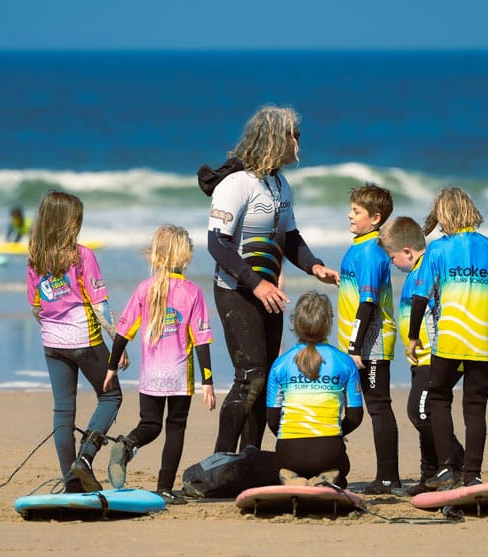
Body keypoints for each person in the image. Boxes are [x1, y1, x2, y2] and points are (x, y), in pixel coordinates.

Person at [202, 106, 339, 455]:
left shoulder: (280, 184)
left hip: (268, 293)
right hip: (237, 292)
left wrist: (315, 267)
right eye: (294, 134)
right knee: (250, 375)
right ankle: (221, 458)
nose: (298, 141)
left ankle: (248, 457)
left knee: (264, 382)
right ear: (276, 139)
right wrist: (256, 284)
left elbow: (290, 237)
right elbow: (217, 243)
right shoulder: (236, 185)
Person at [408, 187, 488, 489]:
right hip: (483, 343)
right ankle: (473, 474)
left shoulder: (438, 250)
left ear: (444, 214)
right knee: (475, 407)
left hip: (449, 341)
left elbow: (420, 296)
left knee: (439, 398)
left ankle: (446, 468)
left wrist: (412, 337)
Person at [103, 225, 216, 504]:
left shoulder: (145, 289)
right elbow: (201, 340)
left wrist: (111, 366)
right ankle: (164, 487)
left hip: (151, 376)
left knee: (150, 424)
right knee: (175, 428)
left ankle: (127, 443)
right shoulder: (192, 292)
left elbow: (123, 331)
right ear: (185, 257)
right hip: (179, 376)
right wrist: (208, 382)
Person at [26, 190, 128, 493]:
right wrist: (117, 342)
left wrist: (55, 327)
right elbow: (100, 304)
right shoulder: (83, 255)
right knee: (111, 397)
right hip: (85, 338)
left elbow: (36, 308)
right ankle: (84, 459)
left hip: (52, 343)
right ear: (69, 223)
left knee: (63, 411)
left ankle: (71, 483)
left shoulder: (34, 257)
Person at [378, 216, 465, 495]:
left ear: (407, 252)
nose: (392, 264)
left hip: (436, 358)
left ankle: (456, 462)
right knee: (422, 410)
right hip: (420, 359)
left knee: (419, 411)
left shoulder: (427, 269)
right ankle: (429, 475)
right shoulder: (415, 272)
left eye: (393, 258)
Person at [338, 183, 400, 494]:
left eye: (357, 211)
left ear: (375, 218)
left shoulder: (372, 251)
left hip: (370, 344)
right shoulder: (358, 246)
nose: (350, 214)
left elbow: (368, 302)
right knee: (354, 406)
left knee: (378, 406)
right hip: (357, 344)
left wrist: (354, 347)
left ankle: (388, 477)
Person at [267, 291, 364, 488]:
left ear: (295, 322)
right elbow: (355, 417)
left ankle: (290, 474)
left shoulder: (280, 364)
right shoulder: (345, 362)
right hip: (329, 451)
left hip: (289, 452)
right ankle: (329, 475)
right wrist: (336, 432)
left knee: (278, 464)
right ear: (329, 322)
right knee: (341, 468)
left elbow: (272, 420)